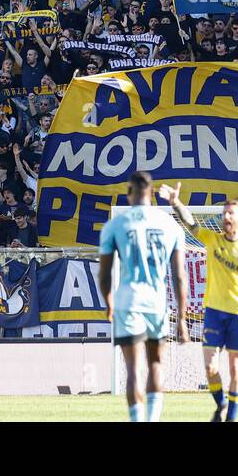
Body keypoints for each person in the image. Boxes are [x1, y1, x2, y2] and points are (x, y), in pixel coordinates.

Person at [164, 184, 238, 422]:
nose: (226, 216)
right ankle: (221, 404)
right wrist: (176, 203)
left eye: (231, 213)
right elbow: (191, 224)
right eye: (224, 213)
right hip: (214, 313)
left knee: (235, 368)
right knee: (211, 368)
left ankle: (231, 417)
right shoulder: (212, 240)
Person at [97, 171, 188, 423]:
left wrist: (108, 303)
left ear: (129, 193)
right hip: (157, 304)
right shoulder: (170, 225)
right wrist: (181, 318)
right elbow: (180, 276)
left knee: (133, 371)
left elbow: (104, 274)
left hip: (127, 302)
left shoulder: (116, 225)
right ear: (151, 193)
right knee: (156, 365)